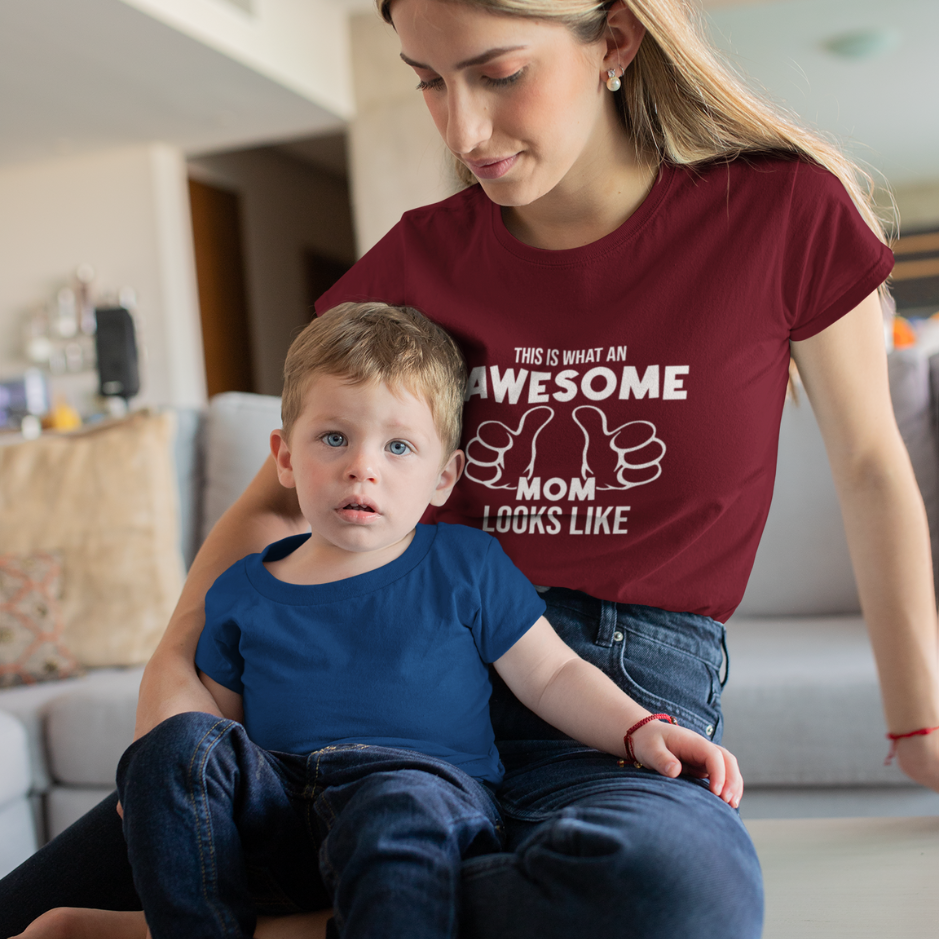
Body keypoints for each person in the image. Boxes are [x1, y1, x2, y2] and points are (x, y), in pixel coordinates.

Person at [3, 0, 937, 937]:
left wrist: (921, 725)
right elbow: (270, 507)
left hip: (614, 706)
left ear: (613, 40)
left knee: (674, 895)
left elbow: (866, 466)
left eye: (498, 74)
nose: (463, 128)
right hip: (365, 714)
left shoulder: (781, 212)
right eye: (427, 80)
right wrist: (168, 699)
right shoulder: (413, 259)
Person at [81, 301, 742, 939]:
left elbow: (553, 672)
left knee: (393, 803)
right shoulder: (241, 591)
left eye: (398, 446)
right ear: (284, 457)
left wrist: (637, 729)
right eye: (333, 438)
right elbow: (214, 732)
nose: (361, 466)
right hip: (282, 805)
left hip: (420, 795)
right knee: (170, 745)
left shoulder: (465, 564)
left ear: (443, 478)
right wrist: (162, 783)